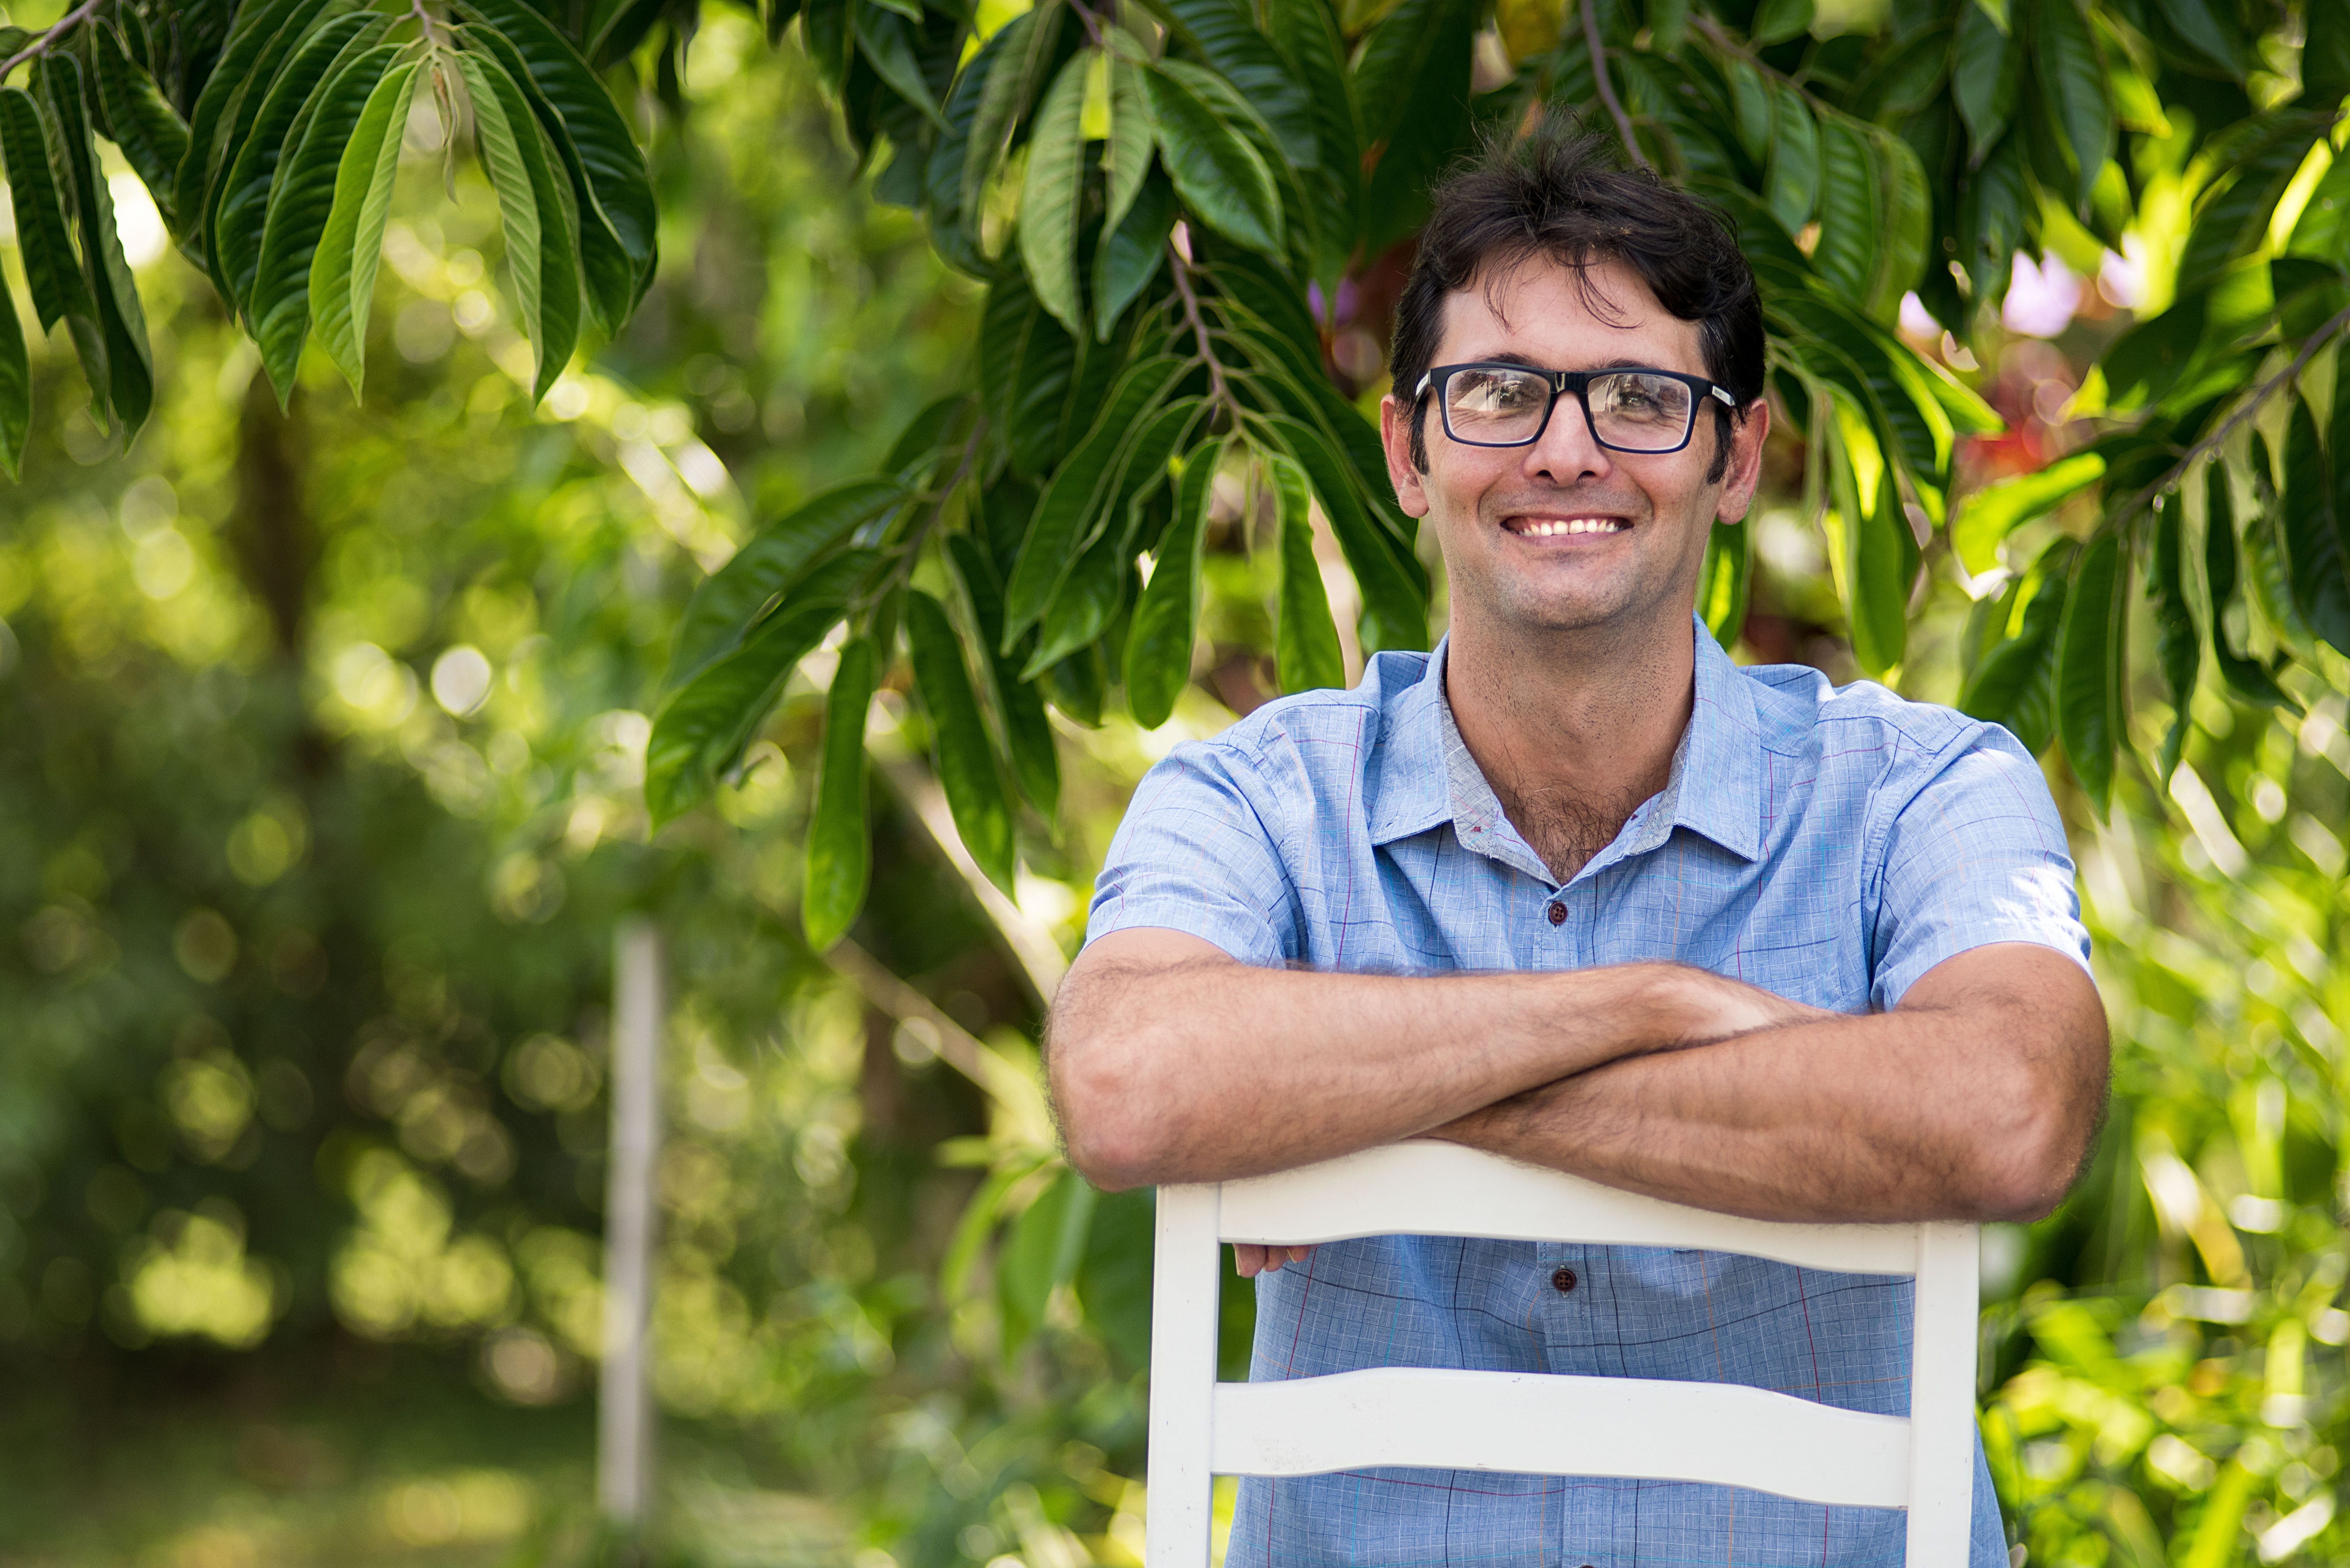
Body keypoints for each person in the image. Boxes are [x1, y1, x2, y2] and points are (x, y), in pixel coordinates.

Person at [1046, 122, 2107, 1567]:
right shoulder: (1258, 798)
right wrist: (1658, 1007)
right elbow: (1125, 1084)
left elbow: (2013, 1111)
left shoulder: (1918, 793)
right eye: (1497, 393)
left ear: (1736, 454)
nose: (1564, 450)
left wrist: (1359, 1098)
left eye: (1638, 397)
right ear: (1408, 451)